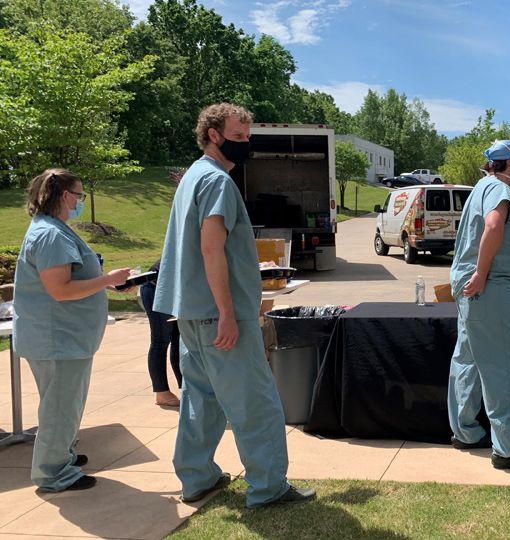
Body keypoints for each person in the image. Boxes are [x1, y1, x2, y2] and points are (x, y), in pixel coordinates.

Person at [153, 103, 315, 507]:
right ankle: (268, 487)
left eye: (248, 136)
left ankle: (197, 477)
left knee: (201, 399)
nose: (247, 144)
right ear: (213, 134)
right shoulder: (217, 182)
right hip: (218, 315)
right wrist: (227, 312)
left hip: (191, 313)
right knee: (256, 402)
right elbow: (211, 250)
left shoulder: (192, 176)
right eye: (239, 137)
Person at [13, 169, 130, 492]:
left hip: (63, 339)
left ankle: (61, 454)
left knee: (63, 404)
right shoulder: (50, 235)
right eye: (79, 195)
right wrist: (109, 280)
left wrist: (108, 284)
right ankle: (53, 474)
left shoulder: (53, 230)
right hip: (57, 340)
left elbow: (73, 279)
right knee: (59, 408)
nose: (80, 201)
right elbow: (60, 290)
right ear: (65, 196)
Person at [447, 140, 510, 470]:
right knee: (505, 365)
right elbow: (493, 226)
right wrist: (482, 271)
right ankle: (508, 449)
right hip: (490, 287)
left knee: (469, 359)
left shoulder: (479, 187)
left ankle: (466, 431)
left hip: (471, 288)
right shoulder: (499, 191)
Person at [139, 258, 182, 407]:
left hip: (174, 291)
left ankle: (185, 387)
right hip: (155, 289)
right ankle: (161, 392)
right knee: (161, 341)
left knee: (179, 339)